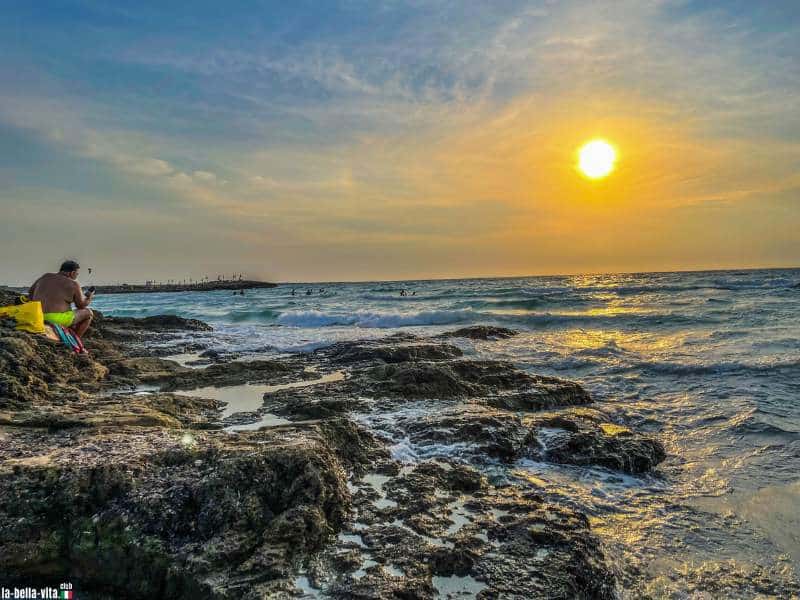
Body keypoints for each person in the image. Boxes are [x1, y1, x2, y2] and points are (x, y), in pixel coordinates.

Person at [29, 260, 94, 336]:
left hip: (37, 315)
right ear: (72, 273)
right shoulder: (73, 284)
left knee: (68, 310)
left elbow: (30, 292)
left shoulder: (45, 276)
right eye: (77, 274)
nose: (77, 276)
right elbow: (81, 305)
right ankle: (76, 338)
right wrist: (89, 297)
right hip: (55, 319)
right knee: (88, 313)